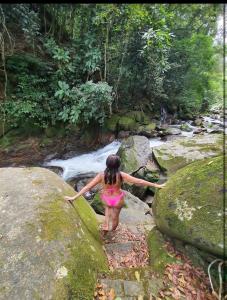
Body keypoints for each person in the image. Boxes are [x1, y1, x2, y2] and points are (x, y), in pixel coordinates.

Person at [64, 154, 165, 233]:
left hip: (106, 198)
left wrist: (74, 197)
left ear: (107, 164)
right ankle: (112, 229)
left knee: (108, 209)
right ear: (118, 165)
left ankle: (106, 224)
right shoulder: (121, 175)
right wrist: (156, 185)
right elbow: (140, 181)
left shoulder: (101, 175)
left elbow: (87, 187)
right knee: (115, 217)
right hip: (117, 199)